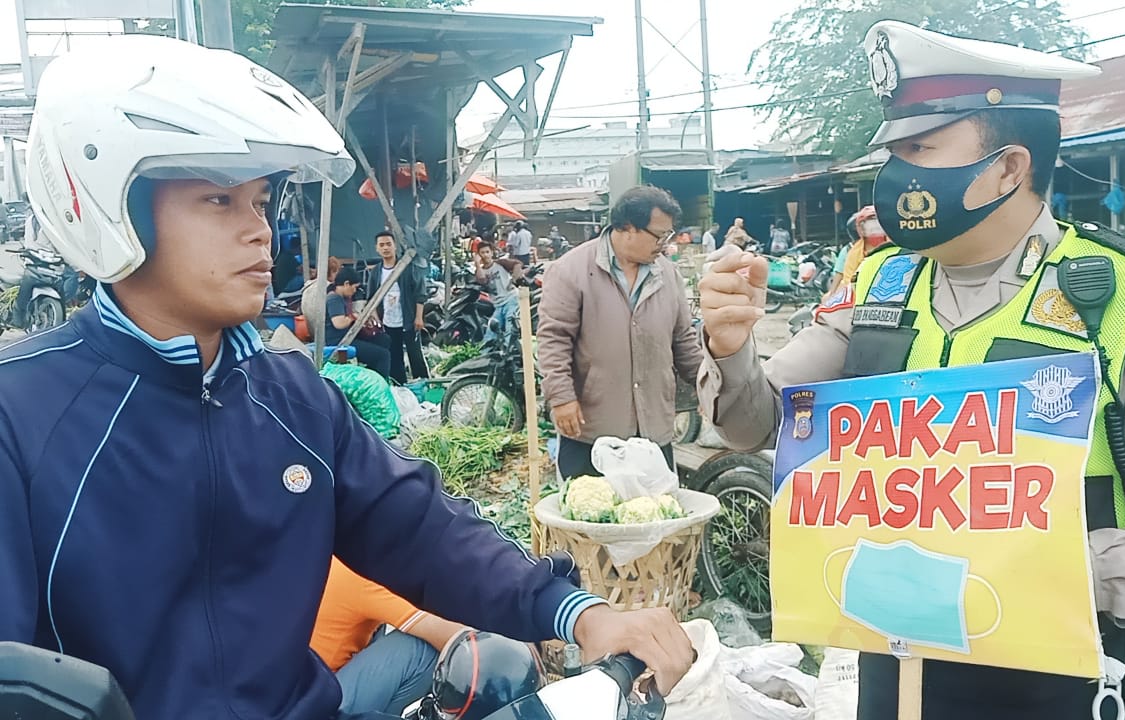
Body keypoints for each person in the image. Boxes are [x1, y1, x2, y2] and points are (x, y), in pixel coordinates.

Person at [0, 36, 693, 720]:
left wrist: (577, 612)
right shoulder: (20, 413)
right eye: (218, 201)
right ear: (111, 208)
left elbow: (420, 528)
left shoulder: (294, 398)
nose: (259, 231)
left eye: (260, 202)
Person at [696, 21, 1125, 720]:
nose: (895, 174)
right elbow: (755, 425)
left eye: (920, 149)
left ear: (1008, 167)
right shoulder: (882, 285)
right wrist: (730, 346)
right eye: (894, 152)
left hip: (1057, 676)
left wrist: (1031, 566)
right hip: (898, 667)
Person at [538, 185, 702, 478]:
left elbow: (683, 341)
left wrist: (709, 389)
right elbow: (554, 341)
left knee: (655, 505)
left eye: (668, 236)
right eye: (659, 236)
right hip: (592, 431)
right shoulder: (570, 270)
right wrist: (561, 398)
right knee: (589, 504)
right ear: (627, 228)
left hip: (653, 431)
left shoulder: (668, 274)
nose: (664, 245)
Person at [312, 558, 465, 719]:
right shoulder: (367, 576)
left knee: (382, 628)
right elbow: (454, 636)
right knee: (422, 649)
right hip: (315, 709)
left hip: (303, 693)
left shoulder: (344, 555)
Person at [364, 231, 429, 383]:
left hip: (409, 319)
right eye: (381, 245)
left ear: (395, 246)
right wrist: (376, 318)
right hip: (388, 321)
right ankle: (400, 385)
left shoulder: (407, 268)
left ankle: (424, 383)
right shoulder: (376, 272)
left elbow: (419, 293)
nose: (385, 248)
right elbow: (371, 298)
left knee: (415, 353)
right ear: (377, 249)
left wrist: (419, 317)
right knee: (394, 354)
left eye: (388, 244)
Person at [326, 267, 393, 379]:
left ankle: (371, 375)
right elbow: (339, 323)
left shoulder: (342, 298)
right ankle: (379, 383)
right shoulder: (334, 299)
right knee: (383, 356)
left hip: (348, 337)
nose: (355, 291)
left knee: (383, 340)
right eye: (355, 287)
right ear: (346, 284)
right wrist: (354, 317)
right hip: (340, 342)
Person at [827, 205, 890, 295]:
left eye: (878, 225)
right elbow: (848, 282)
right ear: (860, 229)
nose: (875, 230)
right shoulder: (854, 253)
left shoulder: (896, 245)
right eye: (870, 226)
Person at [473, 242, 523, 343]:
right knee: (490, 332)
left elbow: (518, 264)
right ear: (479, 255)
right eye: (482, 252)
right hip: (498, 305)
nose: (485, 255)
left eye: (487, 252)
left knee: (510, 328)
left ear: (492, 253)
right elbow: (482, 280)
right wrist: (477, 264)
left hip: (511, 299)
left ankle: (510, 349)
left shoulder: (501, 263)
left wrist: (514, 279)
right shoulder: (480, 271)